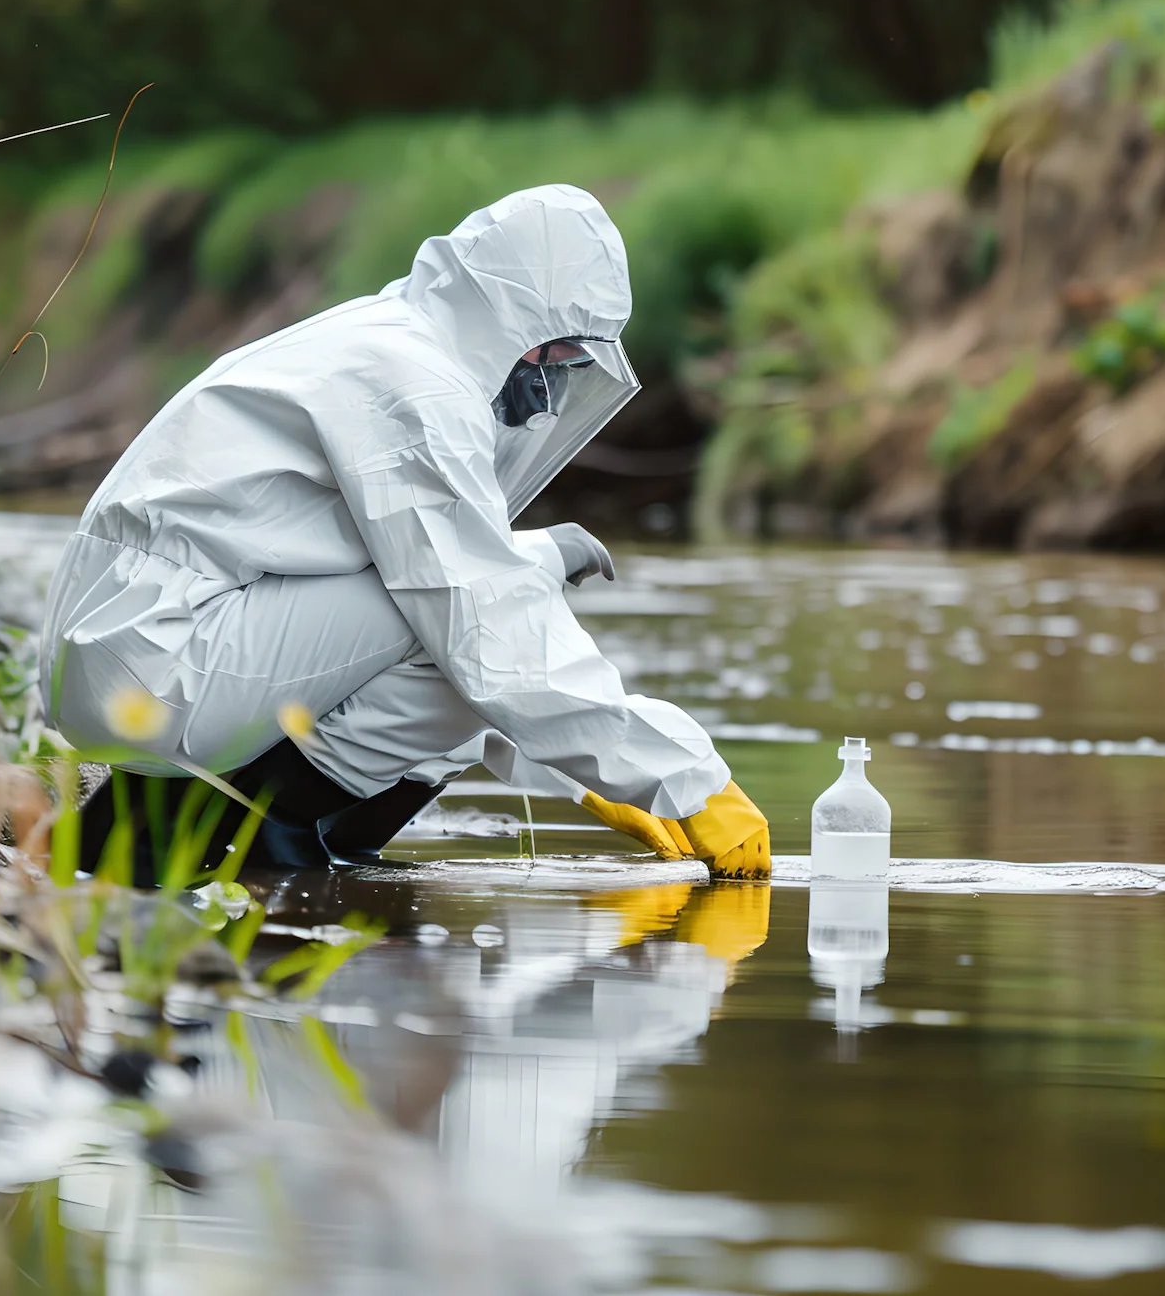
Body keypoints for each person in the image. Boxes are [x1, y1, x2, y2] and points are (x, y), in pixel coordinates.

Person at [38, 184, 769, 880]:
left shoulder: (389, 343)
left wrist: (583, 780)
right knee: (467, 621)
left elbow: (459, 620)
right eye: (558, 353)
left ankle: (177, 835)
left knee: (472, 624)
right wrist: (687, 781)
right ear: (511, 319)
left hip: (142, 651)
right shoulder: (414, 384)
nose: (553, 380)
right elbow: (478, 616)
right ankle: (266, 841)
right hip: (157, 663)